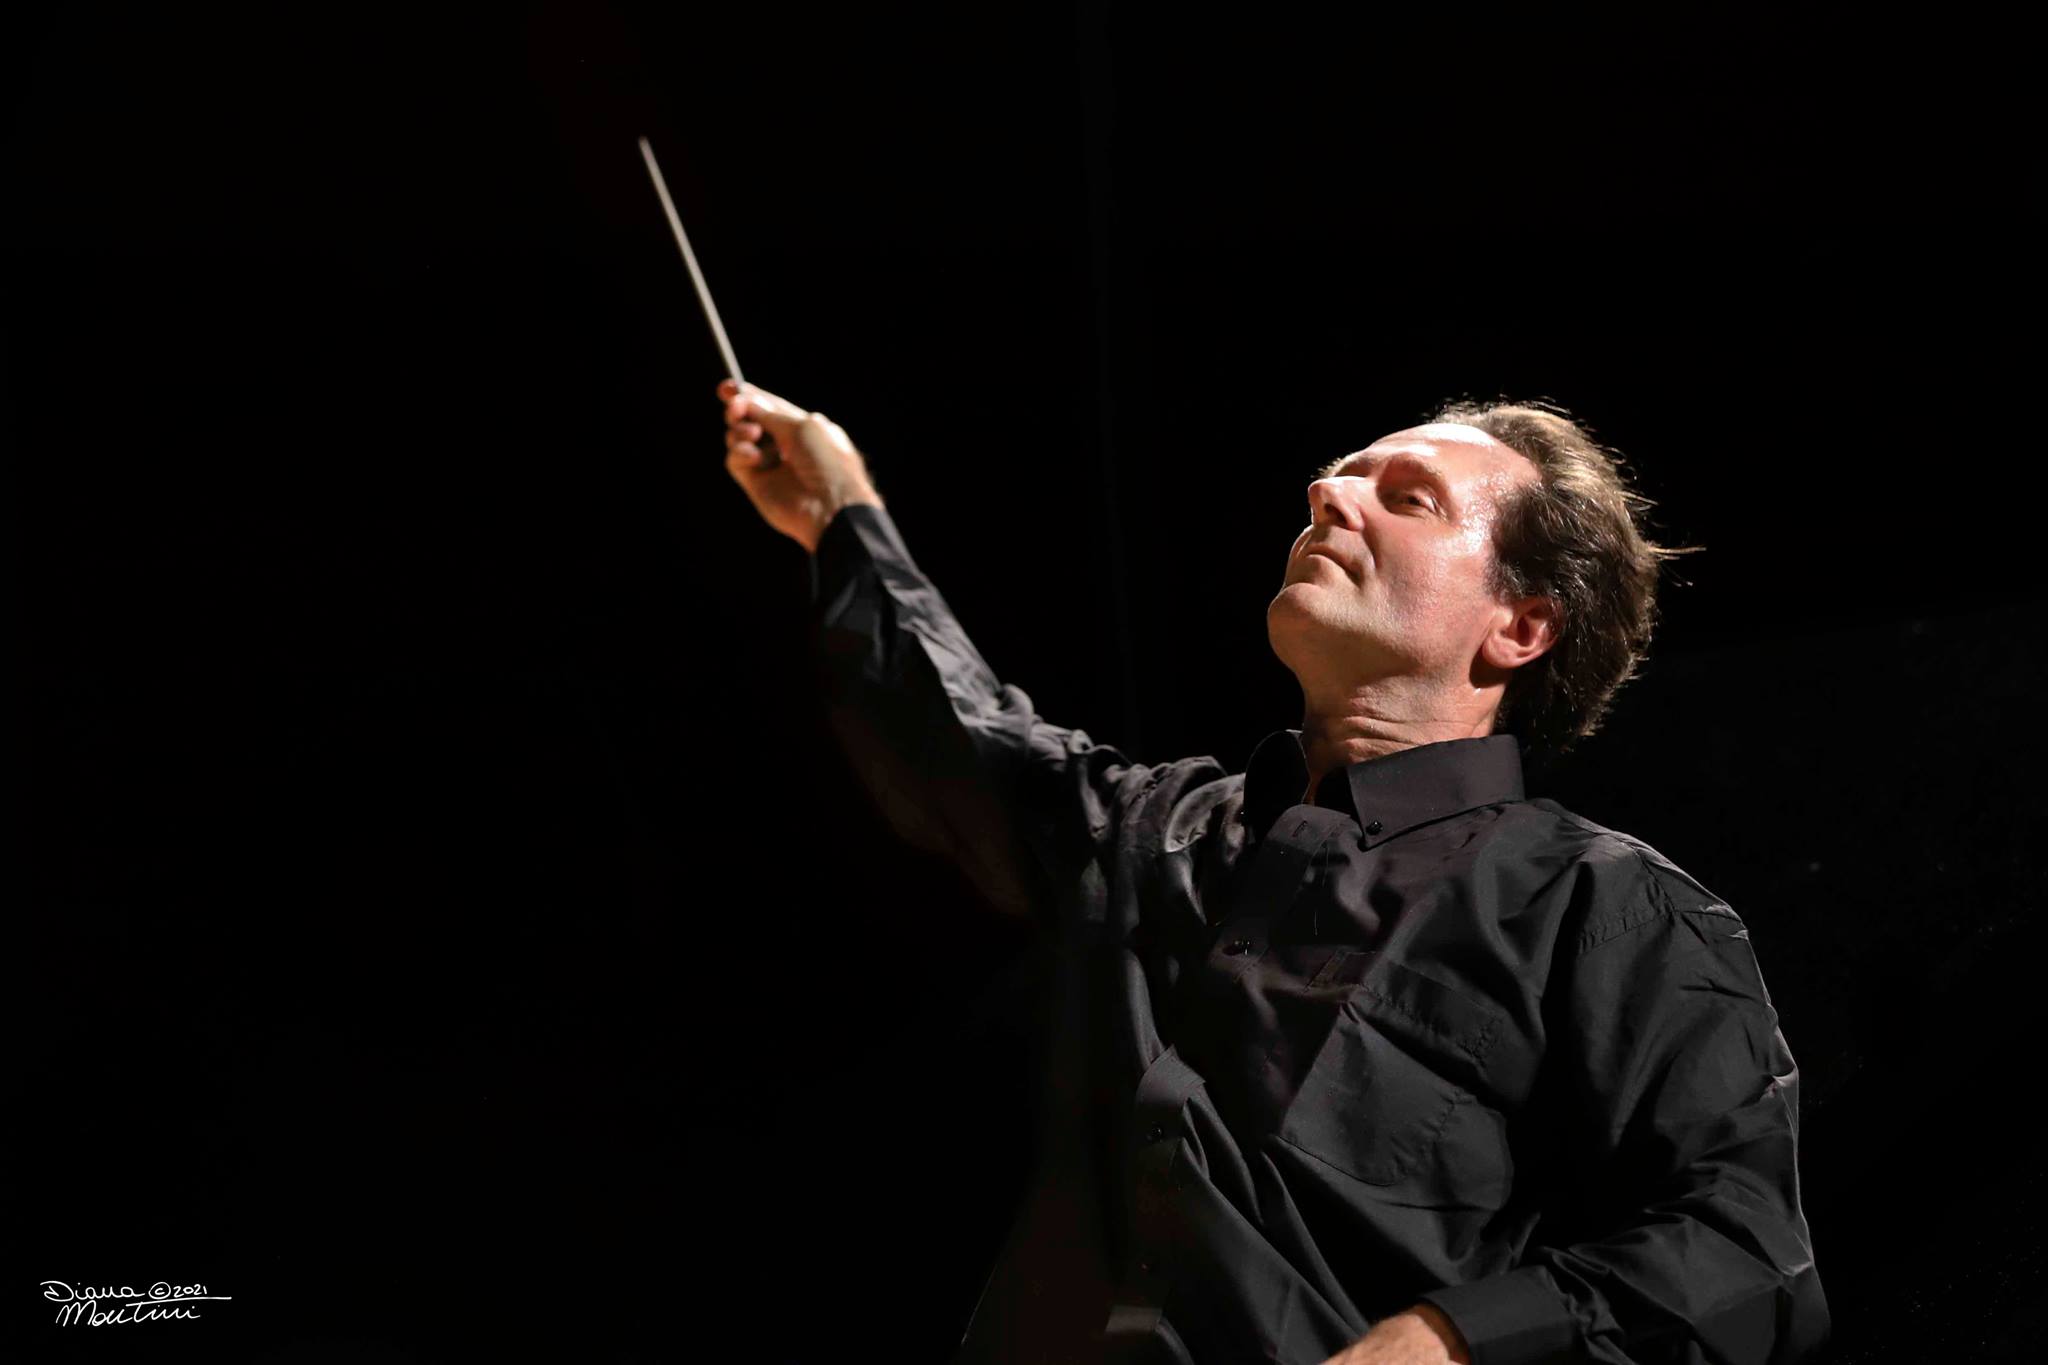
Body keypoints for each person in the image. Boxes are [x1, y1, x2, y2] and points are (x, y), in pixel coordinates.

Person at [717, 377, 1828, 1365]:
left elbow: (1741, 1252)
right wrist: (838, 509)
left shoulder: (1608, 906)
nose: (1325, 494)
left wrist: (1448, 1339)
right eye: (1337, 475)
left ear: (1520, 627)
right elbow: (957, 732)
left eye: (1408, 498)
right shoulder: (1153, 828)